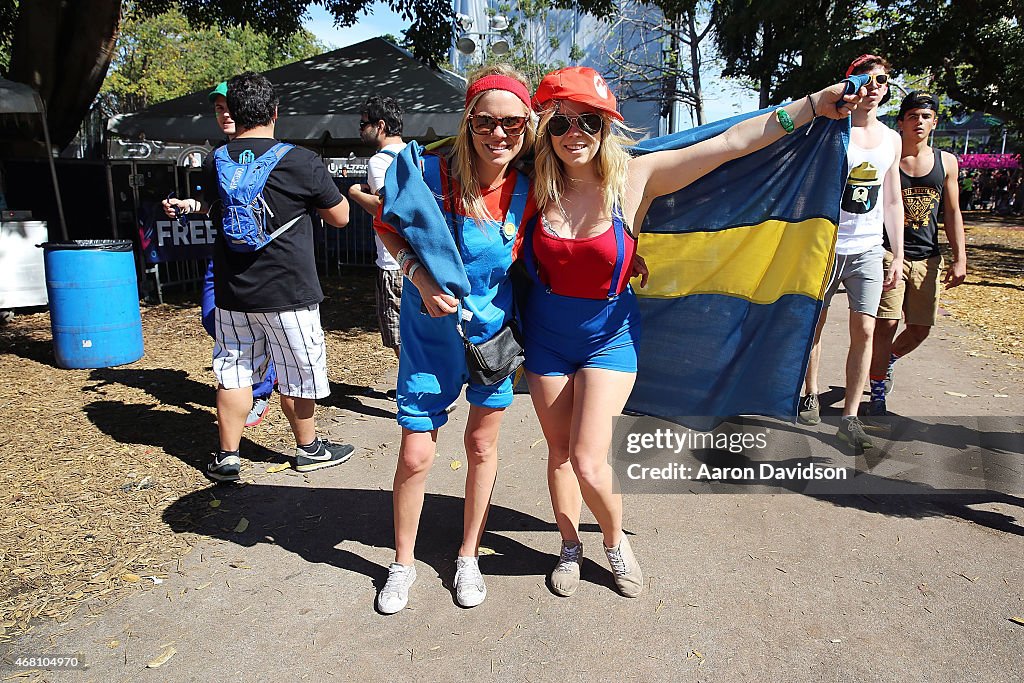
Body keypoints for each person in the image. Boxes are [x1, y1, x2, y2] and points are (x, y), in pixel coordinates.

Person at [523, 66, 864, 598]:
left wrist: (813, 105)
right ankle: (569, 547)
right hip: (547, 337)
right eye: (561, 123)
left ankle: (615, 544)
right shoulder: (534, 186)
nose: (575, 134)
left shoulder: (634, 177)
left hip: (608, 337)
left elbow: (732, 142)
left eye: (588, 122)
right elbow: (470, 166)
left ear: (606, 126)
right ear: (545, 131)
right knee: (560, 454)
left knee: (590, 460)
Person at [371, 65, 537, 614]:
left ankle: (469, 555)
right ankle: (403, 563)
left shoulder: (533, 188)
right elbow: (389, 225)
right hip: (428, 338)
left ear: (527, 126)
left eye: (512, 123)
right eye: (486, 121)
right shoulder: (430, 172)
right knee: (417, 455)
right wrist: (418, 277)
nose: (499, 134)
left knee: (482, 446)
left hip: (492, 339)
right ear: (468, 122)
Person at [165, 72, 353, 482]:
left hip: (233, 291)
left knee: (233, 370)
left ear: (234, 112)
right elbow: (341, 218)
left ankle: (227, 457)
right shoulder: (301, 160)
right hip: (289, 291)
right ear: (274, 112)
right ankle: (308, 449)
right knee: (297, 372)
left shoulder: (219, 160)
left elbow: (214, 209)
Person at [798, 54, 904, 453]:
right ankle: (809, 393)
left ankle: (849, 418)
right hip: (825, 247)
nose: (875, 86)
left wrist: (897, 252)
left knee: (865, 330)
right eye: (868, 78)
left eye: (883, 80)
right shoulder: (830, 132)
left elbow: (892, 200)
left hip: (867, 251)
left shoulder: (891, 140)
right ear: (852, 83)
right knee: (815, 326)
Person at [164, 81, 278, 428]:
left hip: (264, 261)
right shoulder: (217, 156)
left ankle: (259, 391)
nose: (225, 113)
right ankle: (256, 377)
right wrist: (188, 205)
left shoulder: (273, 154)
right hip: (224, 255)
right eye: (218, 108)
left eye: (230, 106)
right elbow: (214, 205)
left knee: (265, 327)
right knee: (211, 315)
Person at [868, 91, 966, 414]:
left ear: (934, 122)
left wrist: (960, 257)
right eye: (912, 116)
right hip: (889, 253)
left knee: (920, 329)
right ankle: (877, 391)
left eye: (925, 116)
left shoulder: (946, 162)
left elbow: (952, 212)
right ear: (901, 123)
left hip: (928, 257)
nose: (919, 122)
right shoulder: (887, 159)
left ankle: (890, 360)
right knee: (886, 324)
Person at [347, 96, 406, 361]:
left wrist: (355, 193)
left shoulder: (379, 161)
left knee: (398, 335)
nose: (360, 130)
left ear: (380, 126)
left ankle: (418, 392)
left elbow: (386, 209)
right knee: (419, 332)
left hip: (393, 261)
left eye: (363, 124)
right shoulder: (416, 155)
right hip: (421, 260)